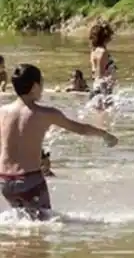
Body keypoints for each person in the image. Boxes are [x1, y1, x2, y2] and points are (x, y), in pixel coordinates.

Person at [0, 64, 118, 219]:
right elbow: (80, 128)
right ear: (35, 86)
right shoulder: (45, 113)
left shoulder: (2, 112)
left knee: (23, 223)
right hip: (30, 180)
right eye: (42, 82)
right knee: (43, 226)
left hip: (4, 181)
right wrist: (105, 135)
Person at [89, 22, 116, 109]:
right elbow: (100, 74)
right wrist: (105, 93)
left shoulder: (93, 51)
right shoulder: (103, 52)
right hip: (103, 90)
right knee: (104, 120)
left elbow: (94, 73)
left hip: (97, 88)